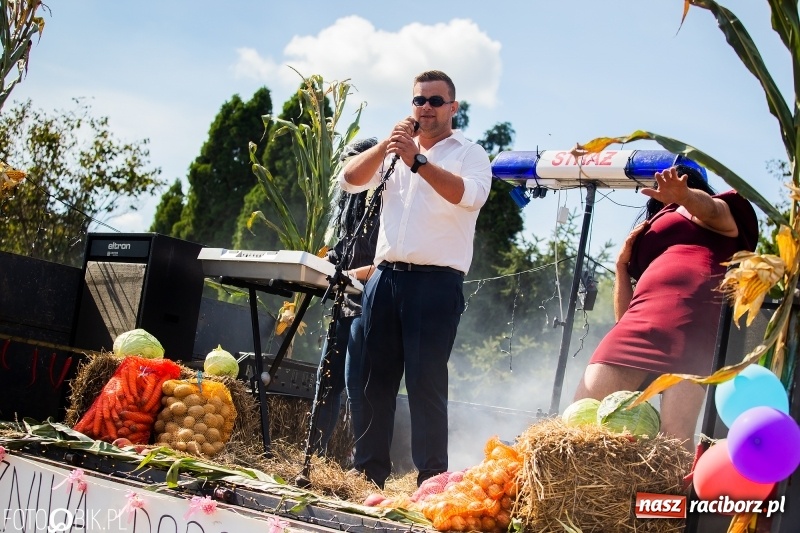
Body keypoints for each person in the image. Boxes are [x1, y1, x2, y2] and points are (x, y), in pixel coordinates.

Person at [339, 70, 492, 488]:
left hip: (435, 284)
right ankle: (367, 475)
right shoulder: (394, 151)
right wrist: (387, 148)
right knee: (373, 380)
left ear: (453, 108)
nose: (425, 108)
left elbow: (469, 196)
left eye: (435, 101)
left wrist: (418, 162)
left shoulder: (470, 154)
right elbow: (349, 180)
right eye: (418, 100)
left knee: (425, 384)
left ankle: (431, 482)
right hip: (385, 279)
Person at [573, 164, 758, 450]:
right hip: (637, 324)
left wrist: (685, 197)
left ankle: (666, 496)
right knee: (578, 427)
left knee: (673, 444)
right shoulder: (653, 230)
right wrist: (622, 266)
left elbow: (710, 208)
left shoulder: (720, 215)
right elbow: (623, 317)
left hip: (690, 326)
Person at [311, 138, 380, 457]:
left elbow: (387, 260)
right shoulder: (348, 208)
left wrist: (353, 275)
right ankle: (316, 455)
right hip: (344, 301)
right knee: (326, 382)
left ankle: (364, 463)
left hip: (370, 302)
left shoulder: (387, 202)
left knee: (357, 386)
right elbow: (343, 249)